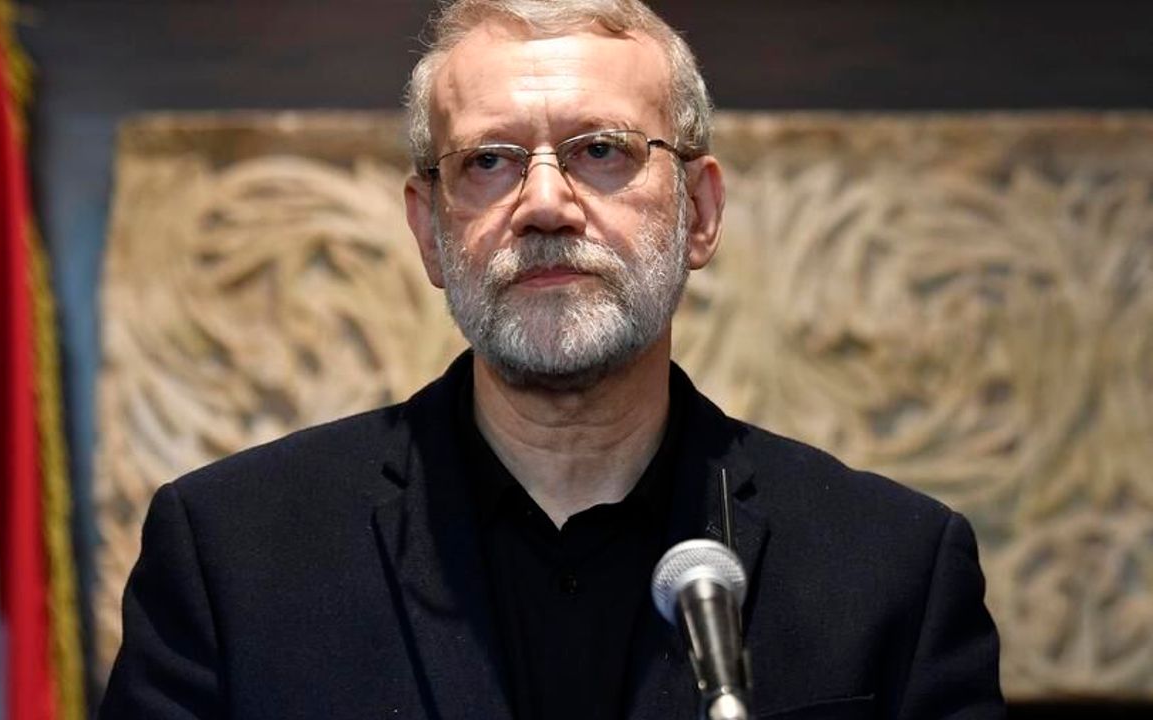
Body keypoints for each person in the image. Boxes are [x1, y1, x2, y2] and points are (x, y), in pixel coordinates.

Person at [99, 1, 1005, 718]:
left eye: (601, 151)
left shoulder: (892, 570)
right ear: (429, 232)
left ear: (698, 212)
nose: (543, 204)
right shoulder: (232, 556)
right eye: (488, 161)